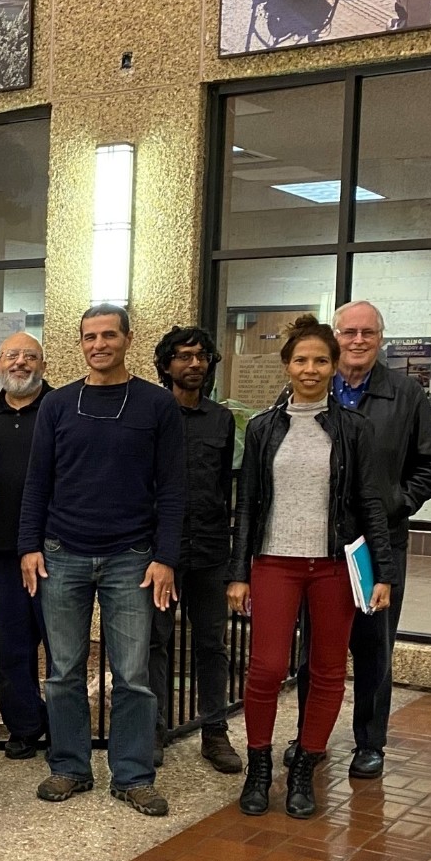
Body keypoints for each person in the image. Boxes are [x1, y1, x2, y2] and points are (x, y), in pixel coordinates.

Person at [19, 304, 185, 817]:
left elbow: (174, 488)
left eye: (108, 335)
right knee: (64, 670)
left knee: (133, 674)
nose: (99, 345)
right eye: (90, 337)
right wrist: (29, 545)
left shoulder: (157, 405)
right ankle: (69, 766)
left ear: (128, 339)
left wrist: (166, 557)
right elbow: (37, 483)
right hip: (62, 554)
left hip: (132, 559)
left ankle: (133, 775)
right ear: (81, 343)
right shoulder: (59, 405)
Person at [228, 314, 394, 819]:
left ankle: (305, 767)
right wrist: (238, 573)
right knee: (268, 668)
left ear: (335, 364)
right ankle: (259, 767)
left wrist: (382, 570)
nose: (311, 368)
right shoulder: (262, 428)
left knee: (326, 671)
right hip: (275, 563)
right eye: (301, 359)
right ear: (286, 365)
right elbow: (248, 506)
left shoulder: (353, 429)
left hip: (334, 567)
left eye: (321, 359)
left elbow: (370, 502)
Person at [279, 300, 431, 780]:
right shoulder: (310, 388)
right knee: (316, 648)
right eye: (348, 332)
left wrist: (393, 503)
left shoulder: (405, 394)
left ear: (380, 338)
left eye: (366, 333)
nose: (357, 341)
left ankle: (370, 743)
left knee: (373, 646)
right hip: (320, 544)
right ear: (336, 336)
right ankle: (310, 738)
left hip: (378, 545)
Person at [147, 326, 241, 774]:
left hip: (209, 548)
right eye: (183, 356)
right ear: (167, 366)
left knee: (211, 643)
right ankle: (154, 730)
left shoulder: (221, 419)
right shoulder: (152, 414)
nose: (194, 364)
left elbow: (224, 483)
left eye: (201, 356)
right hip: (160, 549)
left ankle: (215, 732)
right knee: (156, 641)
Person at [0, 332, 53, 760]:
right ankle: (25, 726)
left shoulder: (62, 408)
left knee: (62, 646)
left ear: (42, 365)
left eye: (30, 356)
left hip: (55, 550)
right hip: (3, 549)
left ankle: (64, 728)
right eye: (12, 356)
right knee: (10, 645)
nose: (20, 363)